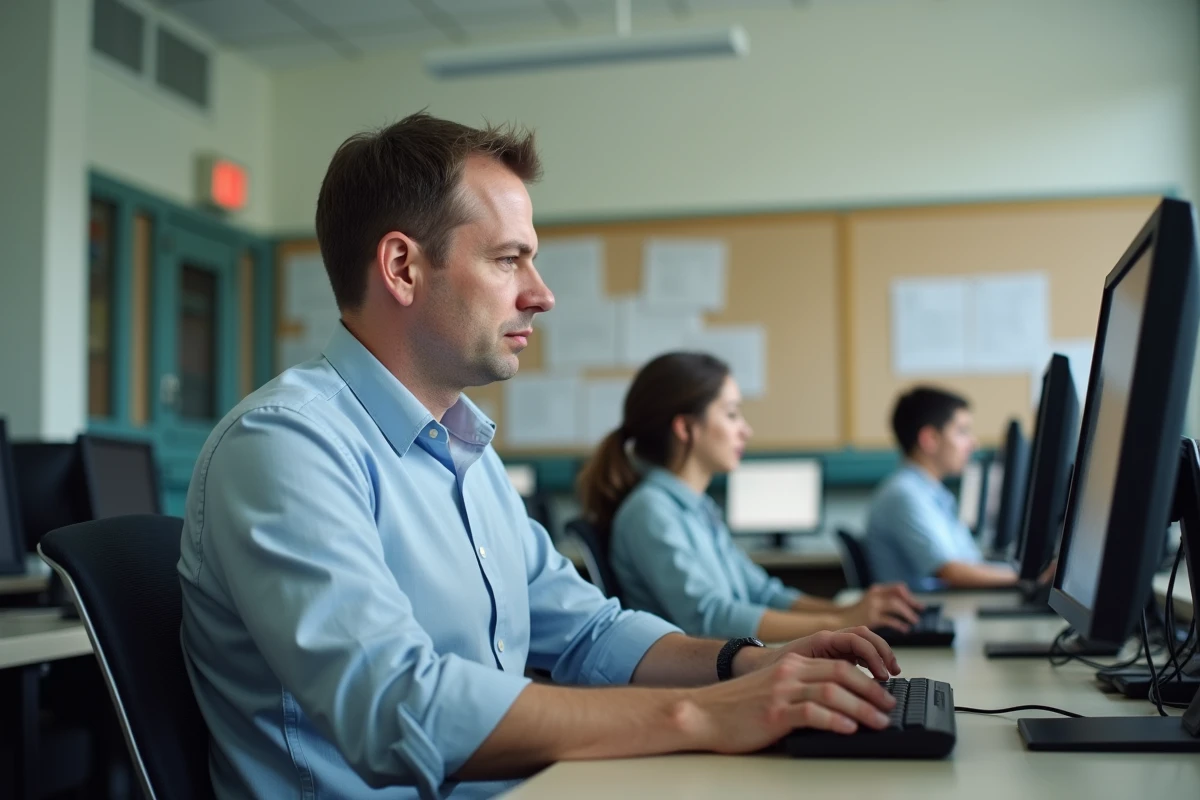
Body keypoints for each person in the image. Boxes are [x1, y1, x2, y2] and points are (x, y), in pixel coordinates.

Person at [177, 113, 902, 800]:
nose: (542, 295)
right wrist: (702, 713)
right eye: (507, 260)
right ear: (402, 267)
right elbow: (399, 708)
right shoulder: (286, 445)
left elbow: (588, 632)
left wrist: (751, 664)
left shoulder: (467, 452)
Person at [578, 351, 923, 642]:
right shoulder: (649, 512)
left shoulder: (697, 508)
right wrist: (837, 624)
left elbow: (763, 593)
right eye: (731, 414)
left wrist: (850, 611)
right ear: (686, 428)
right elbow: (710, 618)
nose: (746, 429)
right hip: (691, 686)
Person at [864, 386, 1019, 588]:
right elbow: (953, 572)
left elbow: (969, 561)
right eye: (962, 431)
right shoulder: (904, 495)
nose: (973, 443)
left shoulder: (932, 492)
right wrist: (1027, 578)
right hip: (923, 612)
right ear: (930, 439)